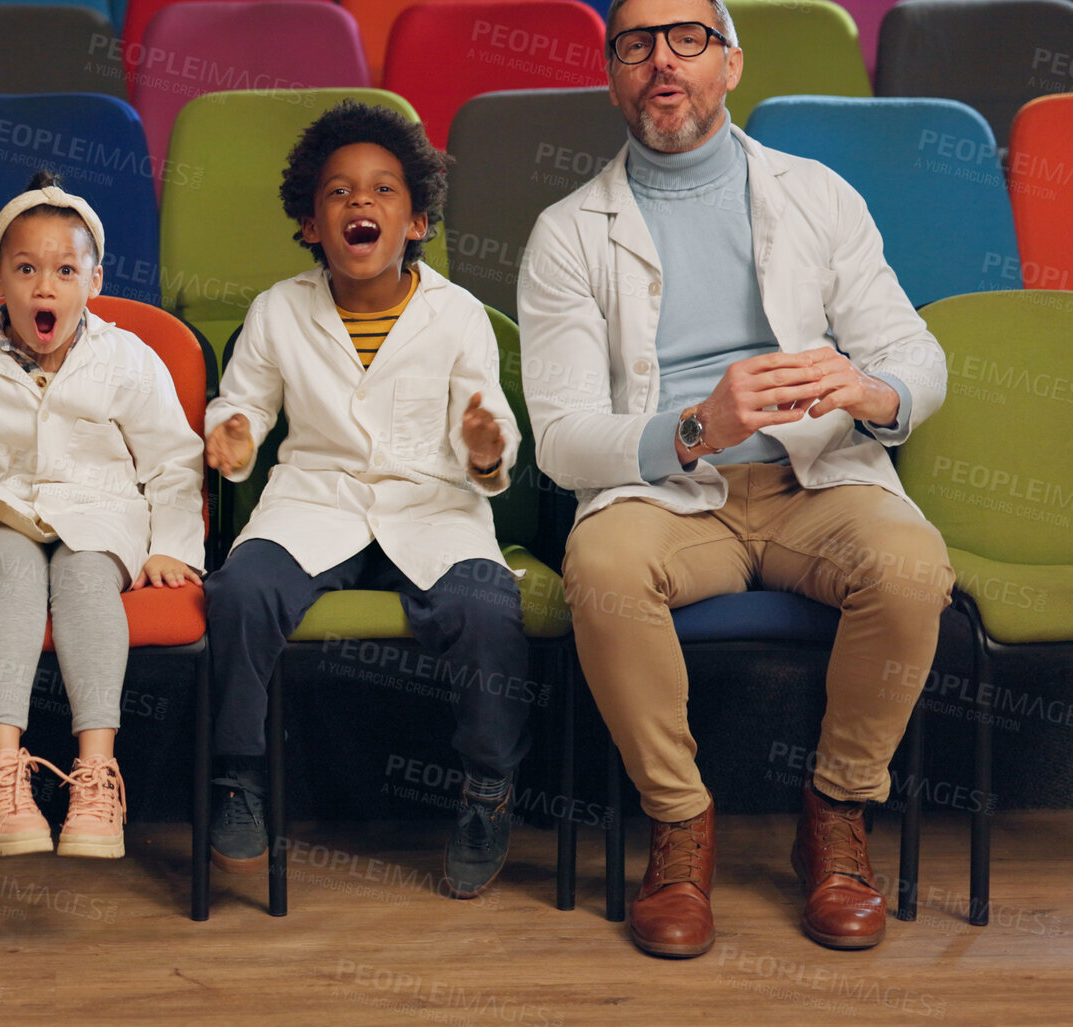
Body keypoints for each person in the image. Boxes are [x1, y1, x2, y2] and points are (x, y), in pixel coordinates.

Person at [518, 0, 954, 957]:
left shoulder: (819, 195)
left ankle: (835, 817)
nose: (661, 61)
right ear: (612, 75)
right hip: (673, 496)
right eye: (635, 44)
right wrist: (693, 427)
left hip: (819, 484)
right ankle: (678, 826)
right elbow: (556, 436)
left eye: (687, 39)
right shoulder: (566, 232)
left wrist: (869, 388)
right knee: (600, 564)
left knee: (914, 565)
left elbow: (918, 357)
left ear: (731, 63)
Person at [203, 100, 533, 898]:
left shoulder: (456, 316)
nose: (360, 203)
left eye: (383, 191)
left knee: (488, 610)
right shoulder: (279, 309)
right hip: (315, 503)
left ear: (416, 219)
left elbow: (488, 421)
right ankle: (236, 778)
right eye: (339, 192)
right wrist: (235, 432)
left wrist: (488, 450)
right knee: (240, 592)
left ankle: (487, 789)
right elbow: (240, 402)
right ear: (310, 224)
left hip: (433, 508)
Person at [0, 171, 205, 860]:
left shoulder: (130, 360)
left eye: (65, 270)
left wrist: (171, 546)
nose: (45, 287)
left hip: (100, 517)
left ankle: (96, 772)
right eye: (26, 269)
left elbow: (174, 465)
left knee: (85, 580)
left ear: (94, 281)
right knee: (8, 576)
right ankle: (2, 771)